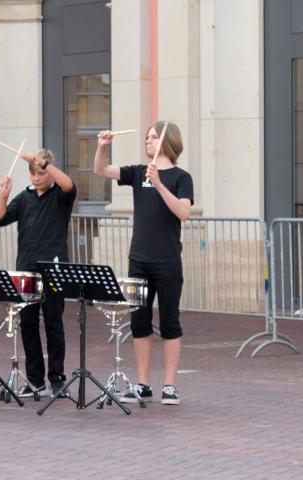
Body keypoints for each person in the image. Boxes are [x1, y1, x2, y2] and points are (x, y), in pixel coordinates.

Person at [93, 121, 193, 405]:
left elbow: (184, 212)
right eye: (147, 137)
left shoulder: (180, 177)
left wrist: (160, 185)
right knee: (139, 322)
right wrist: (101, 147)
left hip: (168, 260)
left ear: (166, 141)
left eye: (152, 137)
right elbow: (101, 170)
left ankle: (170, 385)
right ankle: (144, 383)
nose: (147, 141)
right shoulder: (138, 172)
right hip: (139, 258)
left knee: (170, 321)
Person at [0, 149, 76, 398]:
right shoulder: (25, 197)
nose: (37, 177)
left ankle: (57, 379)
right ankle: (35, 380)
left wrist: (45, 163)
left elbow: (69, 184)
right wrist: (3, 195)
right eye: (33, 173)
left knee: (53, 324)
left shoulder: (60, 195)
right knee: (28, 325)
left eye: (41, 172)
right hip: (27, 268)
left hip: (53, 268)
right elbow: (0, 218)